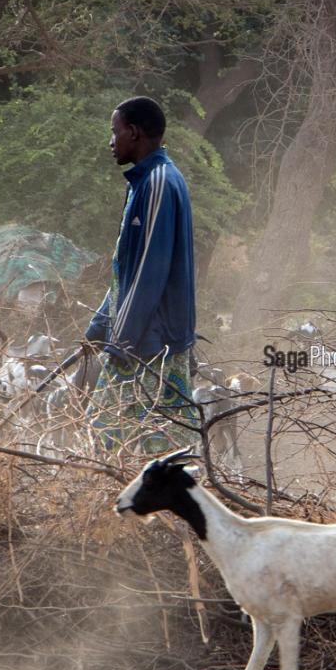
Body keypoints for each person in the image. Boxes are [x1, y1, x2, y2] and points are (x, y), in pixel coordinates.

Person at [85, 97, 197, 453]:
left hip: (148, 342)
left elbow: (151, 268)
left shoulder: (160, 182)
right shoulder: (143, 182)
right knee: (155, 442)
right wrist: (99, 324)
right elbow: (125, 269)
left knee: (107, 436)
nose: (111, 141)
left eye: (114, 132)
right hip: (140, 336)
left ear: (133, 133)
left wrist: (122, 339)